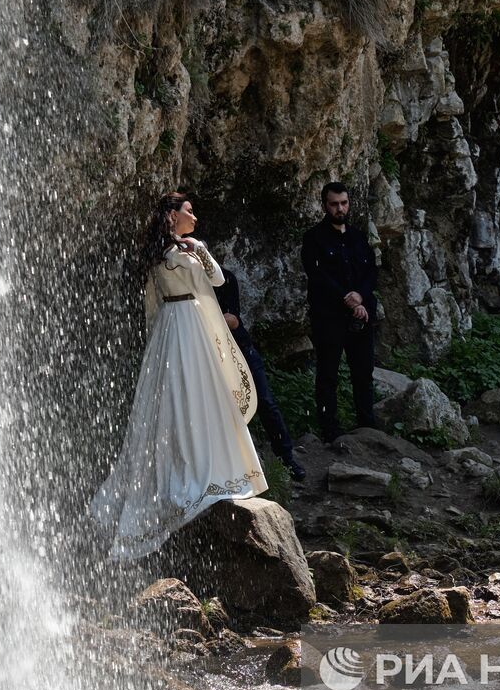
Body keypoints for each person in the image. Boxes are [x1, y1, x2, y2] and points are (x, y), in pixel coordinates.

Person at [91, 193, 267, 560]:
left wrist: (199, 248)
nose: (195, 217)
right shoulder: (158, 252)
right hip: (173, 328)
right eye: (189, 211)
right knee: (172, 401)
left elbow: (218, 280)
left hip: (193, 326)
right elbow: (153, 299)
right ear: (172, 215)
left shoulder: (191, 248)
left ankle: (212, 467)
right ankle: (179, 471)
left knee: (203, 395)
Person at [301, 181, 378, 443]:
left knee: (363, 372)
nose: (340, 208)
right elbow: (317, 275)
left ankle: (367, 425)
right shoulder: (313, 238)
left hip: (361, 315)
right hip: (330, 317)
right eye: (334, 204)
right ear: (325, 205)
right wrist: (347, 299)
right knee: (328, 375)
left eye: (343, 203)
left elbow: (371, 272)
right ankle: (329, 430)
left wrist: (361, 298)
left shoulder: (358, 237)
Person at [214, 266, 306, 482]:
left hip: (241, 349)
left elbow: (233, 319)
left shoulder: (225, 278)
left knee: (265, 401)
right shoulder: (190, 284)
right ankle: (235, 468)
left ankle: (286, 458)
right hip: (213, 354)